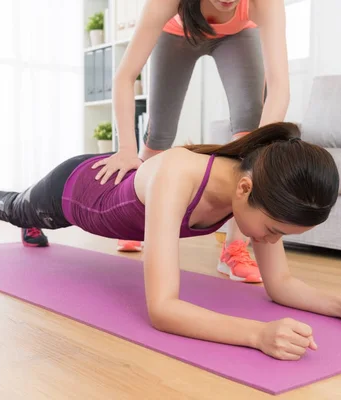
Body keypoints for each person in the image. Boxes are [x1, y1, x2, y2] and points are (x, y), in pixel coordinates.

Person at [0, 122, 341, 360]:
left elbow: (280, 286)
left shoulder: (258, 190)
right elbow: (163, 309)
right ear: (244, 191)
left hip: (109, 183)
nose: (269, 240)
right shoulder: (181, 174)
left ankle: (29, 225)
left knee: (29, 218)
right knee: (17, 208)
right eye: (274, 230)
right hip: (75, 191)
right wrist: (257, 335)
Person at [91, 0, 292, 281]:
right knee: (159, 134)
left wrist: (261, 157)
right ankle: (135, 223)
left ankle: (233, 249)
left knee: (251, 136)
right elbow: (125, 76)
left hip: (238, 36)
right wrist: (126, 149)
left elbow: (280, 86)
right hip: (176, 34)